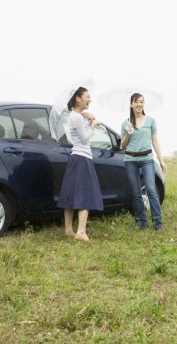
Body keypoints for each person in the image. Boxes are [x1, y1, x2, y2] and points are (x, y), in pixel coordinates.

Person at [57, 87, 104, 241]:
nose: (89, 99)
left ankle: (69, 230)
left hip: (76, 157)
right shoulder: (76, 117)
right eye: (87, 97)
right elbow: (84, 139)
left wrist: (91, 118)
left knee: (70, 194)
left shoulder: (77, 116)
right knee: (86, 193)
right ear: (78, 98)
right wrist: (93, 125)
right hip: (82, 157)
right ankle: (81, 232)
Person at [120, 93, 167, 230]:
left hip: (147, 159)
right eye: (136, 102)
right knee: (136, 192)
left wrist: (161, 160)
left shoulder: (150, 121)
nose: (139, 104)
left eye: (141, 102)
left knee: (151, 190)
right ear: (131, 104)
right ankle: (141, 221)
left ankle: (158, 222)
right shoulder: (126, 123)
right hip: (131, 160)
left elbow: (155, 141)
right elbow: (123, 145)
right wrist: (127, 133)